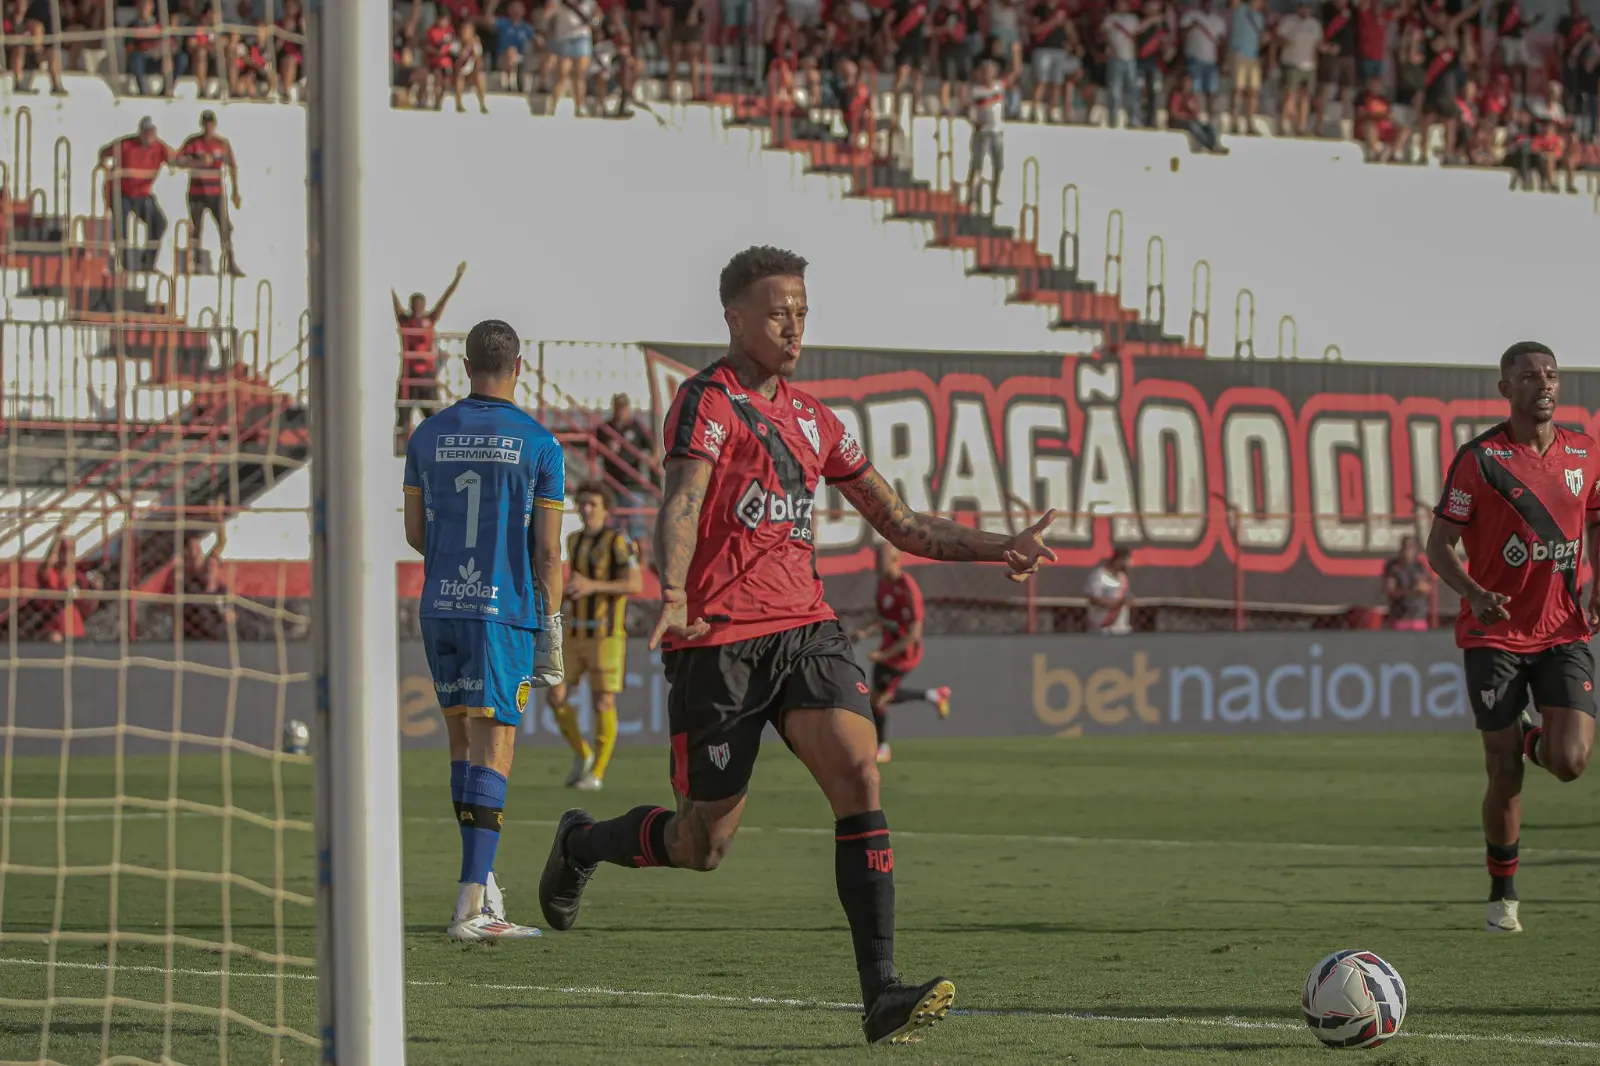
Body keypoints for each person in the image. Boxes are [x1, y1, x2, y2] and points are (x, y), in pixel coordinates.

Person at [536, 245, 1056, 1045]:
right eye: (778, 310)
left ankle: (881, 991)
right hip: (718, 644)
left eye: (803, 310)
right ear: (735, 317)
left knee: (858, 771)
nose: (793, 324)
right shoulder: (706, 401)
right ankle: (581, 841)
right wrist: (672, 590)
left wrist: (1000, 545)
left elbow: (901, 521)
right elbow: (682, 501)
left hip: (806, 631)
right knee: (700, 845)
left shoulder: (816, 419)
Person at [1426, 340, 1600, 936]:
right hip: (1493, 632)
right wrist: (1473, 591)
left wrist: (1596, 584)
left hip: (1563, 628)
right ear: (1506, 390)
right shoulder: (1479, 460)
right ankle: (1504, 892)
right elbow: (1438, 545)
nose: (1544, 385)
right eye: (1529, 377)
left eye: (1551, 375)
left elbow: (1596, 519)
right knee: (1504, 770)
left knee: (1571, 761)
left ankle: (1532, 738)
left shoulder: (1584, 451)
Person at [403, 318, 566, 942]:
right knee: (495, 748)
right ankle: (470, 906)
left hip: (441, 603)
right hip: (502, 612)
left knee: (462, 745)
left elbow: (417, 533)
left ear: (463, 366)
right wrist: (549, 622)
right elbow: (548, 553)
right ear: (518, 366)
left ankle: (484, 883)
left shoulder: (427, 434)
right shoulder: (539, 444)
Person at [547, 482, 641, 792]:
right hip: (574, 634)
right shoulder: (573, 541)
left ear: (606, 508)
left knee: (603, 701)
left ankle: (597, 774)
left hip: (606, 635)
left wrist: (592, 587)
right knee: (555, 694)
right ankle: (583, 754)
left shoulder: (618, 541)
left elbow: (634, 584)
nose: (586, 509)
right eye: (583, 503)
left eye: (593, 504)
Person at [853, 542, 952, 764]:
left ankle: (883, 748)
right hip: (887, 648)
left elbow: (914, 635)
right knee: (878, 699)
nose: (878, 564)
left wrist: (884, 656)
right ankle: (934, 695)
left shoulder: (908, 588)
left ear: (896, 560)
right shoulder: (882, 585)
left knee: (878, 700)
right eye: (876, 559)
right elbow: (881, 617)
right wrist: (864, 632)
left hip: (904, 655)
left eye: (883, 559)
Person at [392, 262, 468, 443]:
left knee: (434, 414)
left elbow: (445, 299)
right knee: (403, 414)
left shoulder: (429, 320)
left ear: (424, 306)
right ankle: (403, 444)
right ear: (411, 306)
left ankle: (440, 442)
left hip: (426, 376)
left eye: (420, 305)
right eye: (415, 305)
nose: (418, 308)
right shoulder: (405, 321)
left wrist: (457, 277)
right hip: (409, 376)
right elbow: (394, 301)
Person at [98, 117, 178, 273]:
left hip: (142, 194)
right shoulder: (126, 145)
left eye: (152, 132)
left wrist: (187, 161)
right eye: (146, 132)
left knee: (159, 222)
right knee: (121, 227)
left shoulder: (159, 147)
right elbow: (104, 153)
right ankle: (126, 264)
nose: (149, 136)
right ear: (140, 132)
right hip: (122, 192)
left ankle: (148, 263)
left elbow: (175, 159)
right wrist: (105, 167)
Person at [177, 111, 244, 277]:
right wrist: (198, 162)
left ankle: (230, 262)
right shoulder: (193, 143)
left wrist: (236, 190)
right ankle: (196, 262)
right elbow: (178, 161)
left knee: (224, 227)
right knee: (197, 228)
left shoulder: (222, 144)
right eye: (206, 125)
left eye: (211, 125)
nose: (209, 128)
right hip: (197, 192)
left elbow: (232, 167)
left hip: (216, 192)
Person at [599, 394, 657, 543]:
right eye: (618, 407)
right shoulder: (606, 428)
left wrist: (651, 460)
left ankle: (641, 561)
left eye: (624, 408)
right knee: (612, 523)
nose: (621, 411)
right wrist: (607, 449)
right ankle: (614, 556)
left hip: (632, 482)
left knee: (636, 524)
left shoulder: (636, 427)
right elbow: (594, 449)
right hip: (611, 482)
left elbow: (652, 448)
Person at [966, 59, 1012, 209]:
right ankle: (972, 195)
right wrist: (975, 122)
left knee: (998, 166)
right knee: (978, 164)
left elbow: (1014, 74)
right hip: (983, 132)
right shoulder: (977, 91)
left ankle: (995, 195)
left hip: (997, 131)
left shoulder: (999, 87)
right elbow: (972, 110)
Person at [1382, 535, 1431, 630]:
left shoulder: (1420, 567)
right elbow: (1391, 591)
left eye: (1410, 548)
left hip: (1418, 618)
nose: (1407, 551)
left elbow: (1426, 587)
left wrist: (1423, 588)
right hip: (1399, 618)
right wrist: (1411, 591)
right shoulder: (1393, 567)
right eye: (1405, 547)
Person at [1084, 546, 1132, 633]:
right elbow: (1093, 599)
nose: (1129, 564)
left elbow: (1126, 599)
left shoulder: (1123, 578)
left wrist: (1127, 601)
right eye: (1126, 561)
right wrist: (1114, 604)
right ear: (1119, 560)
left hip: (1120, 628)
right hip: (1102, 627)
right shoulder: (1099, 575)